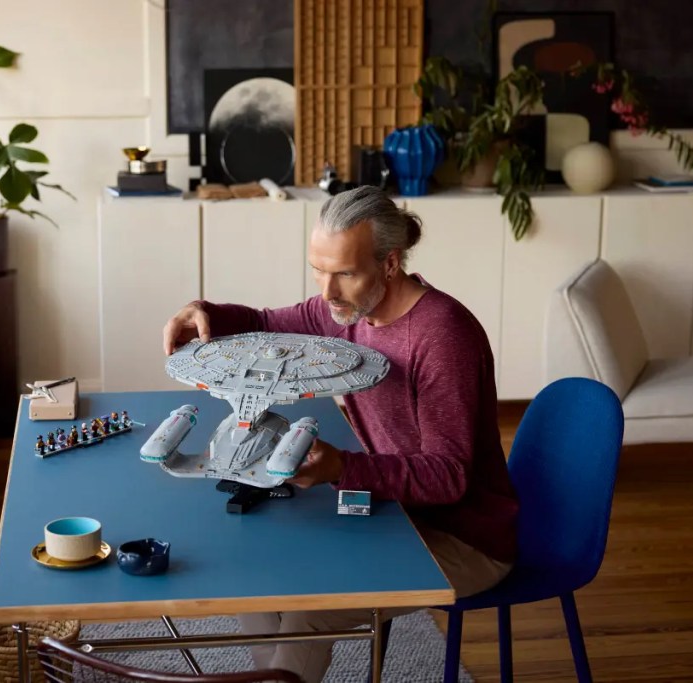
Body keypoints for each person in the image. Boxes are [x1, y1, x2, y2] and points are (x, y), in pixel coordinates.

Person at [162, 185, 518, 683]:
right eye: (318, 270)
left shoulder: (442, 336)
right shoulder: (348, 311)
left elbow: (449, 478)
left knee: (312, 608)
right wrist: (206, 312)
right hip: (396, 511)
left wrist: (342, 469)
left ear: (390, 264)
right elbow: (267, 323)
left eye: (344, 273)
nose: (326, 292)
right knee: (258, 570)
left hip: (464, 538)